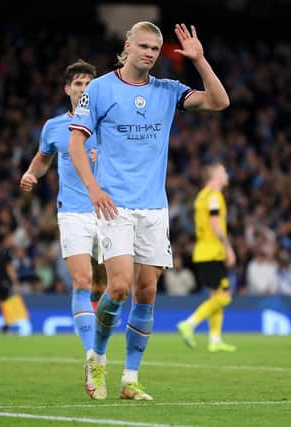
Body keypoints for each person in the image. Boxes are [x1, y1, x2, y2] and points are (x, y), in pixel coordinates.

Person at [69, 21, 229, 400]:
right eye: (143, 46)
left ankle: (130, 378)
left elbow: (219, 102)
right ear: (127, 46)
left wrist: (201, 61)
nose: (149, 53)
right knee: (119, 286)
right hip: (115, 205)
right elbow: (77, 143)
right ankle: (96, 356)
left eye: (155, 49)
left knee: (146, 292)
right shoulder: (100, 88)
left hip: (154, 208)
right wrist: (93, 189)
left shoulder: (167, 90)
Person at [20, 60, 108, 360]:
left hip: (109, 210)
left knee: (109, 286)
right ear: (68, 89)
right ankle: (92, 358)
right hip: (72, 211)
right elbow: (43, 159)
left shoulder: (109, 122)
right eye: (78, 84)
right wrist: (31, 174)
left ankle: (99, 329)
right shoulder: (54, 127)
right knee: (82, 281)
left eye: (88, 84)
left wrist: (105, 156)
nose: (84, 89)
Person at [177, 163, 237, 351]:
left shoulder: (202, 196)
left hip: (203, 251)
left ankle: (215, 340)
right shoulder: (213, 196)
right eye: (223, 171)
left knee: (216, 295)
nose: (226, 174)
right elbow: (215, 223)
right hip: (212, 252)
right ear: (215, 176)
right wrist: (229, 248)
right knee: (224, 297)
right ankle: (189, 323)